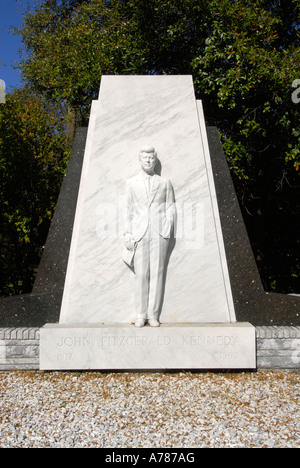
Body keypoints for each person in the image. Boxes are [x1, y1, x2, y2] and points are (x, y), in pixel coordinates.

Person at [123, 145, 176, 327]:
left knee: (158, 273)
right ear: (139, 160)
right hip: (139, 232)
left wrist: (168, 227)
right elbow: (127, 209)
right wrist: (127, 233)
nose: (148, 160)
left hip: (159, 232)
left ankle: (153, 315)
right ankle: (140, 314)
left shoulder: (164, 182)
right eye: (145, 157)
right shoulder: (131, 183)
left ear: (155, 160)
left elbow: (170, 206)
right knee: (142, 274)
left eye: (151, 158)